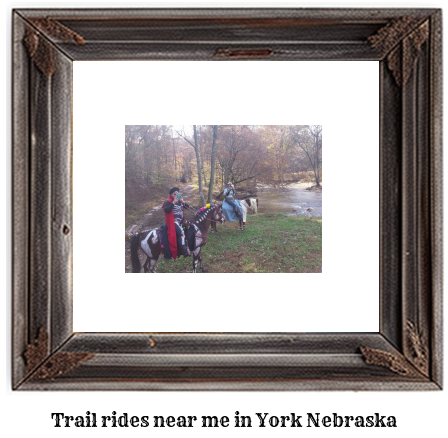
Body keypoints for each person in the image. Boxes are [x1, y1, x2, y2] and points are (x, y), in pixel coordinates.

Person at [163, 187, 190, 258]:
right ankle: (183, 250)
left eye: (177, 193)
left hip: (181, 220)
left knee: (191, 226)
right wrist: (173, 203)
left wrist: (183, 202)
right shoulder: (168, 201)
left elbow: (188, 207)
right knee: (180, 232)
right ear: (171, 194)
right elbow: (167, 210)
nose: (176, 195)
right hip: (174, 221)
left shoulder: (180, 201)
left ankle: (190, 244)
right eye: (175, 193)